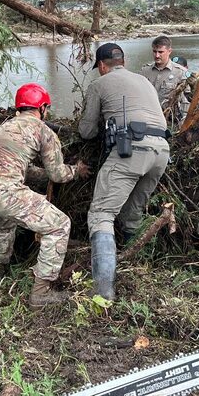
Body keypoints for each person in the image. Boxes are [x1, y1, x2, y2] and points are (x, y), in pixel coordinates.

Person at [0, 83, 89, 310]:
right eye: (46, 108)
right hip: (3, 191)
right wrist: (76, 170)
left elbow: (12, 164)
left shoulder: (5, 127)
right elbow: (58, 174)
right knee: (59, 225)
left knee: (3, 223)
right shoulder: (43, 131)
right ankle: (41, 293)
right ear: (42, 108)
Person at [79, 43, 170, 300]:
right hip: (161, 151)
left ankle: (103, 291)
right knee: (132, 213)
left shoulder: (99, 84)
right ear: (123, 61)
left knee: (101, 214)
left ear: (102, 66)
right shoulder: (143, 80)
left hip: (132, 149)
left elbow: (86, 131)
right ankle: (137, 267)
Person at [140, 36, 191, 122]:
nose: (157, 55)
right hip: (148, 118)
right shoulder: (145, 71)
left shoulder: (181, 72)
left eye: (161, 52)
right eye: (154, 51)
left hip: (171, 120)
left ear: (169, 51)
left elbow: (188, 100)